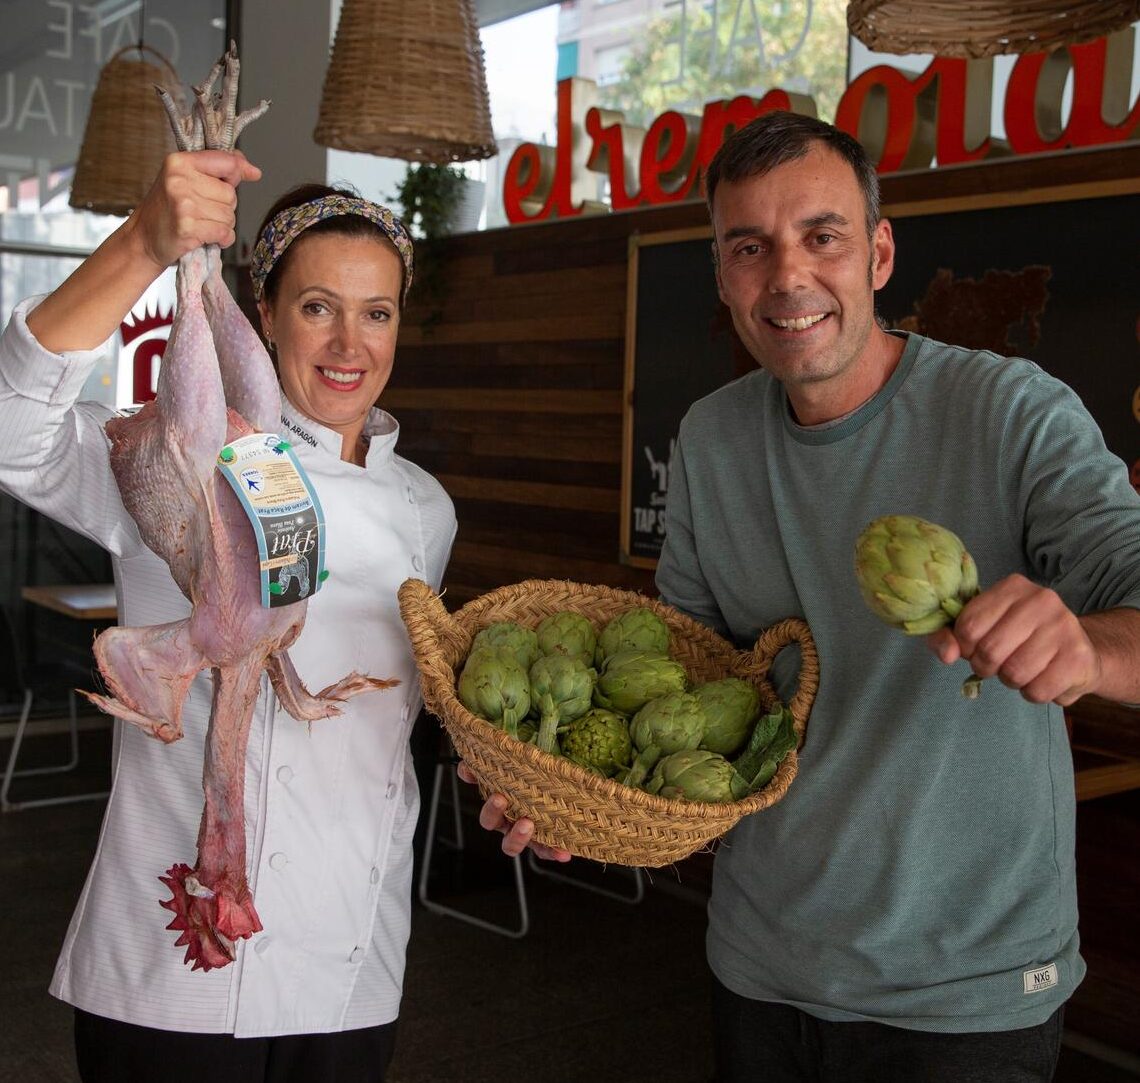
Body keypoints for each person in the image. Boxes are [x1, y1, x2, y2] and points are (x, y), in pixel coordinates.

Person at [476, 111, 1140, 1082]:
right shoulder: (710, 440)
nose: (787, 277)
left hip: (967, 995)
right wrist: (572, 788)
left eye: (821, 237)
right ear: (723, 274)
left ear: (877, 253)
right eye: (751, 247)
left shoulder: (1012, 412)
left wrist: (1090, 648)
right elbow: (687, 677)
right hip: (760, 966)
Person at [0, 148, 456, 1081]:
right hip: (172, 965)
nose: (348, 344)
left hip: (346, 967)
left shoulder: (426, 509)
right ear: (265, 316)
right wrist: (144, 244)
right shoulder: (180, 453)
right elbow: (10, 424)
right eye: (317, 307)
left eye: (377, 313)